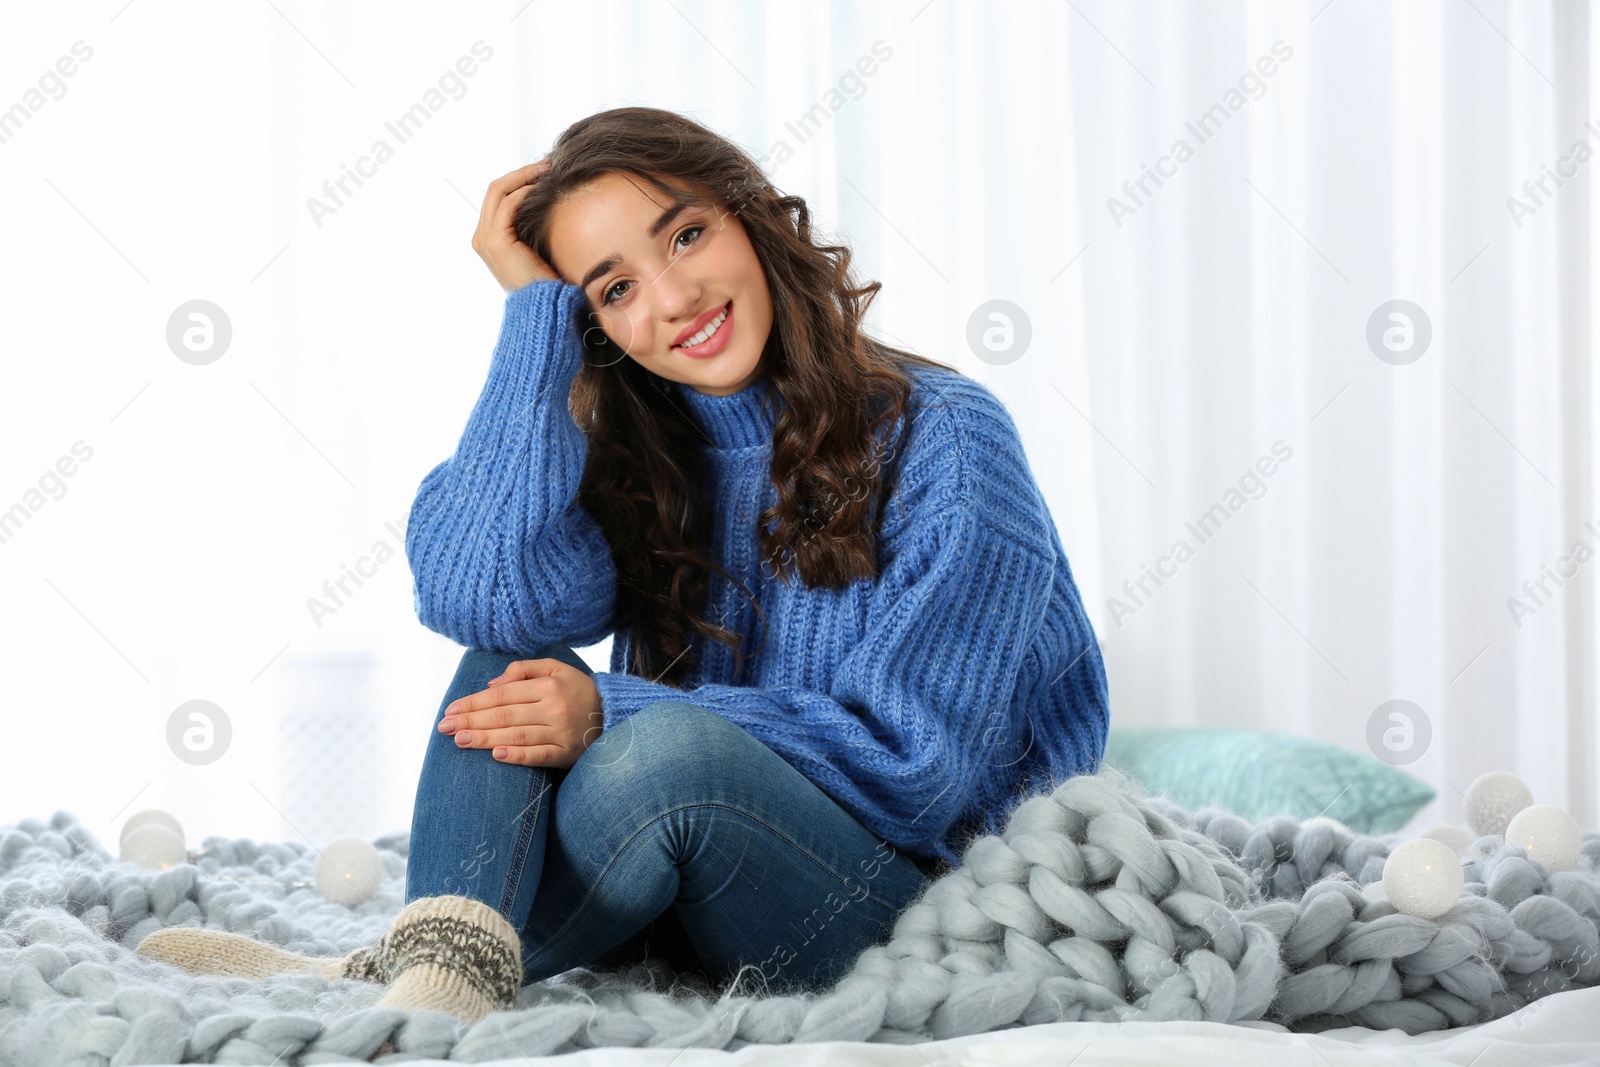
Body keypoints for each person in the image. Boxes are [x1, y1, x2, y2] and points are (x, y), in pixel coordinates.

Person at [134, 106, 1111, 1027]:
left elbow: (920, 773)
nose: (675, 298)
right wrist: (530, 322)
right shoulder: (654, 461)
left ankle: (394, 972)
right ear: (594, 324)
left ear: (751, 217)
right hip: (695, 876)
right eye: (614, 287)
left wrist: (616, 710)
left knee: (660, 752)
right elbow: (479, 592)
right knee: (508, 658)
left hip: (893, 905)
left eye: (685, 235)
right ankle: (434, 967)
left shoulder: (944, 435)